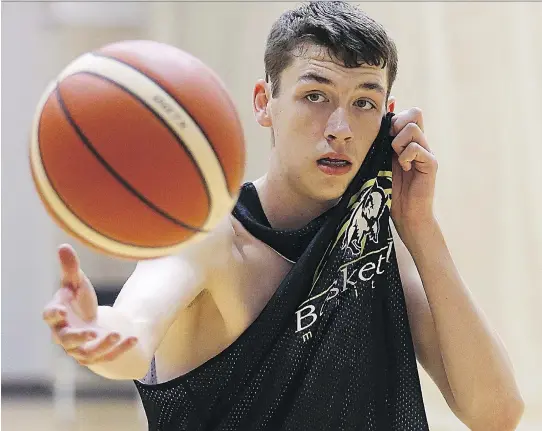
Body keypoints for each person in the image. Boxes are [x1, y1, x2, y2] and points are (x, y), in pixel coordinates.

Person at [43, 2, 524, 430]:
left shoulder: (373, 248)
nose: (340, 129)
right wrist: (100, 331)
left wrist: (421, 228)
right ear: (263, 102)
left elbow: (496, 414)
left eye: (363, 103)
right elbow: (135, 329)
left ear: (386, 116)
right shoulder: (210, 237)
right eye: (315, 96)